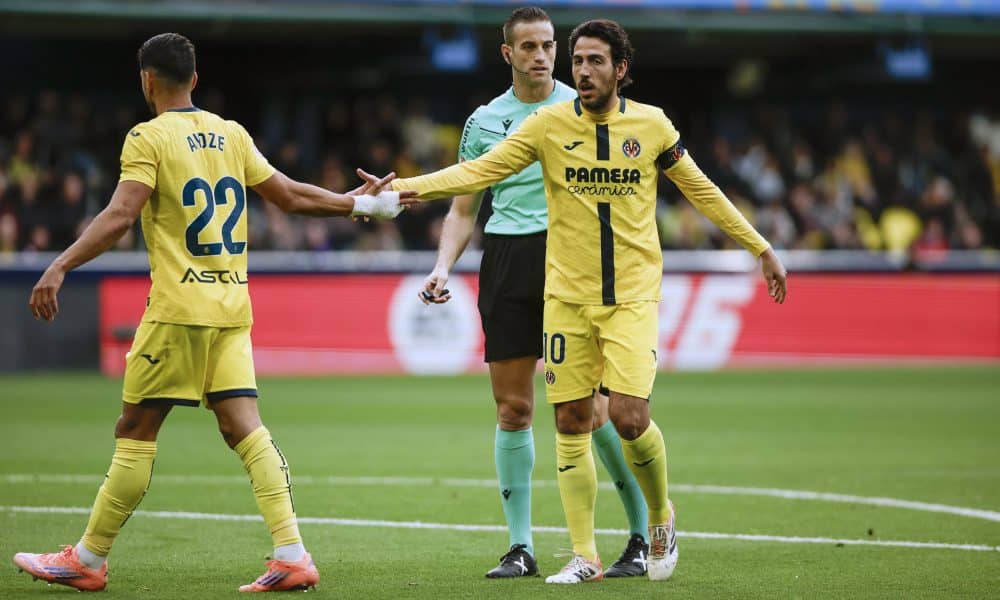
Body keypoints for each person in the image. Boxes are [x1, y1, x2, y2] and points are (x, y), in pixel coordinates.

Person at [381, 19, 788, 584]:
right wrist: (404, 190)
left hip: (631, 297)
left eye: (595, 61)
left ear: (620, 69)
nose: (582, 70)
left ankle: (661, 515)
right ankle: (584, 555)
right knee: (569, 420)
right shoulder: (548, 125)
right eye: (578, 60)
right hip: (564, 295)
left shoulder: (651, 126)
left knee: (625, 414)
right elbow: (479, 172)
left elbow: (701, 190)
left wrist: (759, 246)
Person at [14, 32, 404, 593]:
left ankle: (88, 559)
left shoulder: (146, 137)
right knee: (244, 427)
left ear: (146, 80)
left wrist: (60, 264)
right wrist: (362, 202)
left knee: (136, 429)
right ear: (194, 79)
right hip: (231, 306)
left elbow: (123, 214)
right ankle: (292, 553)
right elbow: (290, 196)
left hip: (177, 309)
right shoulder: (231, 133)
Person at [419, 7, 651, 579]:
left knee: (593, 411)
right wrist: (443, 266)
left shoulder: (581, 109)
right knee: (514, 408)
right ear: (508, 54)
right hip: (506, 259)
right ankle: (520, 548)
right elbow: (465, 204)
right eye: (529, 47)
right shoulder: (483, 122)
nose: (542, 55)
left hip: (569, 258)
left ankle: (642, 535)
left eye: (549, 45)